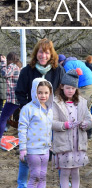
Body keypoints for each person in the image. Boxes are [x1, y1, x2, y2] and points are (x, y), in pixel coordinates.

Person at [15, 39, 65, 188]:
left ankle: (64, 182)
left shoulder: (58, 71)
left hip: (52, 116)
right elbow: (20, 92)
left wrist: (56, 109)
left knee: (58, 151)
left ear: (51, 54)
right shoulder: (27, 71)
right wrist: (30, 109)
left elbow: (63, 92)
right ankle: (22, 184)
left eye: (47, 52)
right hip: (33, 119)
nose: (43, 55)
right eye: (41, 52)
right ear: (36, 53)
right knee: (27, 154)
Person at [50, 68, 92, 188]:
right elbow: (51, 122)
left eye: (73, 88)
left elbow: (89, 120)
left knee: (75, 171)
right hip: (64, 144)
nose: (70, 91)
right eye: (68, 88)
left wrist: (86, 124)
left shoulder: (82, 103)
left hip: (77, 145)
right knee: (65, 172)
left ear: (76, 89)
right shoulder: (56, 103)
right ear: (62, 87)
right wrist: (64, 125)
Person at [19, 78, 53, 188]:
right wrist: (23, 148)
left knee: (43, 175)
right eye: (40, 92)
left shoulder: (50, 109)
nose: (43, 95)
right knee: (35, 176)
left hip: (45, 149)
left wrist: (51, 144)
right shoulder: (28, 109)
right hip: (32, 149)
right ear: (34, 92)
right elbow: (22, 129)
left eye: (46, 93)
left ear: (50, 93)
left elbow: (49, 128)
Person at [0, 52, 21, 134]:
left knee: (3, 118)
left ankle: (0, 137)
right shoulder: (17, 66)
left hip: (13, 99)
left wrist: (3, 62)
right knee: (5, 118)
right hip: (14, 98)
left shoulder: (12, 66)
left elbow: (4, 73)